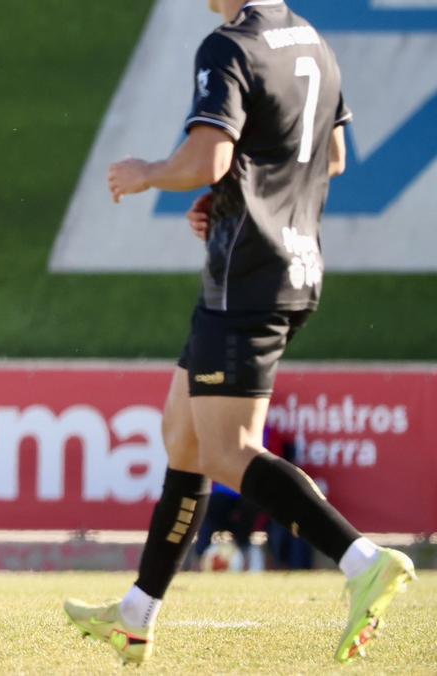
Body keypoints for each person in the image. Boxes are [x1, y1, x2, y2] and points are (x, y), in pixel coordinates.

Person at [62, 0, 416, 665]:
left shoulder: (231, 45)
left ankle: (362, 560)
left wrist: (148, 174)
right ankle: (137, 614)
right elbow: (333, 157)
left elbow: (208, 157)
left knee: (228, 450)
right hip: (289, 264)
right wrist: (234, 199)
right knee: (185, 436)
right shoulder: (312, 42)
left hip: (247, 275)